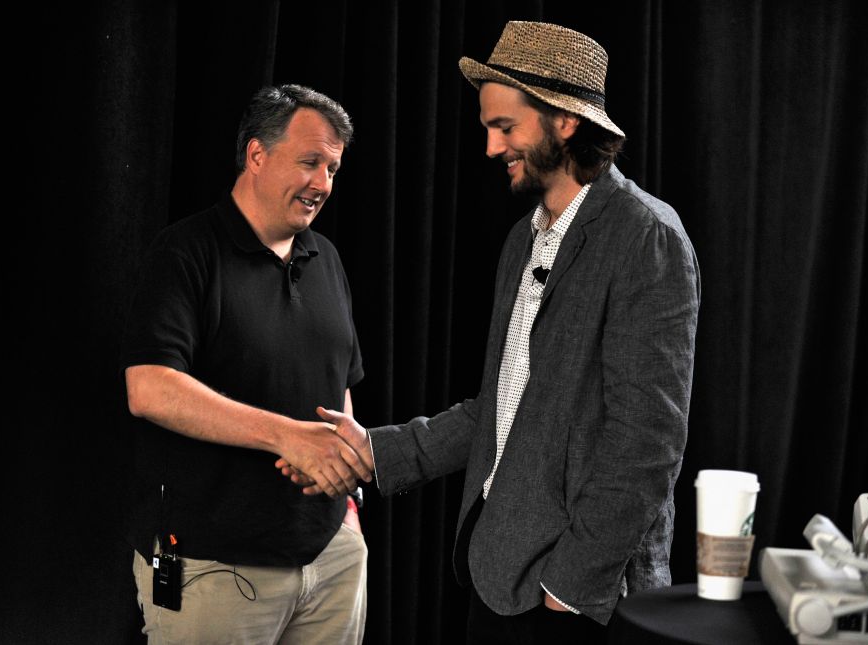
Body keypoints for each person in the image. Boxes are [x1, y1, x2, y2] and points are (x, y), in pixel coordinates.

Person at [282, 21, 701, 644]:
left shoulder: (646, 237)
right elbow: (503, 409)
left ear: (565, 121)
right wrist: (375, 449)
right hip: (498, 576)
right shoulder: (522, 241)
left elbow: (648, 443)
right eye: (488, 127)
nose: (489, 147)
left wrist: (570, 586)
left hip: (579, 599)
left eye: (505, 127)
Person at [119, 84, 372, 644]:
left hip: (331, 557)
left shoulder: (325, 257)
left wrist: (348, 501)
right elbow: (149, 388)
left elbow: (341, 383)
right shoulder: (185, 252)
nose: (323, 185)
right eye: (310, 163)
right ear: (257, 155)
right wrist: (288, 437)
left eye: (332, 168)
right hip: (212, 567)